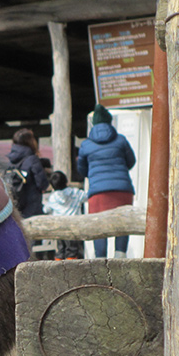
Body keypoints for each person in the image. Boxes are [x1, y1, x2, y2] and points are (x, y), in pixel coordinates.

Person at [77, 103, 136, 259]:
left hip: (98, 192)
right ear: (110, 122)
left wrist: (95, 176)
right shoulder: (121, 140)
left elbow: (82, 170)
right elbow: (131, 162)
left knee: (99, 225)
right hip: (122, 190)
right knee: (123, 223)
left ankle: (100, 260)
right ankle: (120, 256)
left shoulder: (86, 145)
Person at [6, 128, 49, 219]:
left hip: (15, 205)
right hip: (32, 207)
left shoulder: (11, 160)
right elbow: (42, 184)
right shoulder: (32, 160)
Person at [44, 170, 87, 260]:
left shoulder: (53, 197)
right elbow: (86, 197)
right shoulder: (75, 193)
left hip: (59, 227)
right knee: (72, 250)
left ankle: (58, 266)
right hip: (73, 226)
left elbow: (46, 209)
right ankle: (72, 268)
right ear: (66, 181)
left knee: (61, 249)